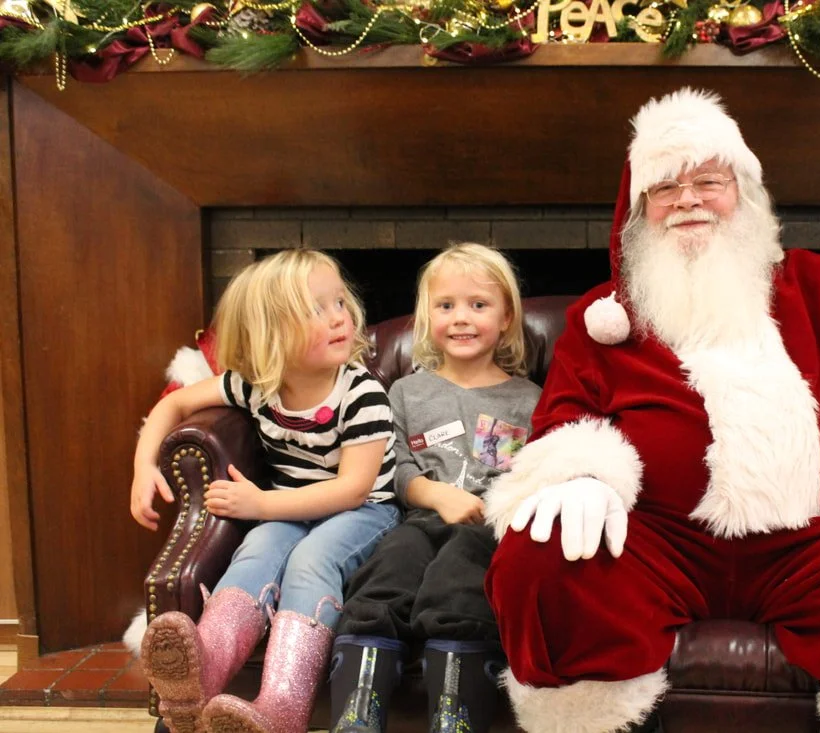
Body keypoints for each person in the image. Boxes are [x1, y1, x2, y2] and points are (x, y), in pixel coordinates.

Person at [481, 88, 820, 733]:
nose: (688, 200)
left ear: (745, 194)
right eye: (665, 188)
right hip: (658, 544)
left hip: (814, 541)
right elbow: (562, 419)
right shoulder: (604, 318)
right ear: (641, 210)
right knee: (541, 555)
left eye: (708, 180)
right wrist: (580, 477)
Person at [129, 248, 401, 733]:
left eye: (339, 303)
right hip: (288, 508)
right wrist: (143, 465)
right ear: (268, 333)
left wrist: (262, 504)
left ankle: (283, 706)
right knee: (256, 551)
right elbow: (175, 406)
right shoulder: (256, 386)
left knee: (310, 560)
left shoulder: (361, 394)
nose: (339, 318)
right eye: (316, 310)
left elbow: (354, 490)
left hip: (364, 514)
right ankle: (201, 675)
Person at [329, 243, 542, 733]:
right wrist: (435, 494)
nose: (461, 319)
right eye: (446, 306)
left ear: (507, 317)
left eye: (478, 305)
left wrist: (490, 507)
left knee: (460, 583)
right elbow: (396, 465)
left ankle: (455, 715)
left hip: (489, 527)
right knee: (388, 571)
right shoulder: (406, 392)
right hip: (420, 519)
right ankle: (359, 711)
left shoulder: (528, 399)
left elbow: (533, 472)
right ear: (427, 317)